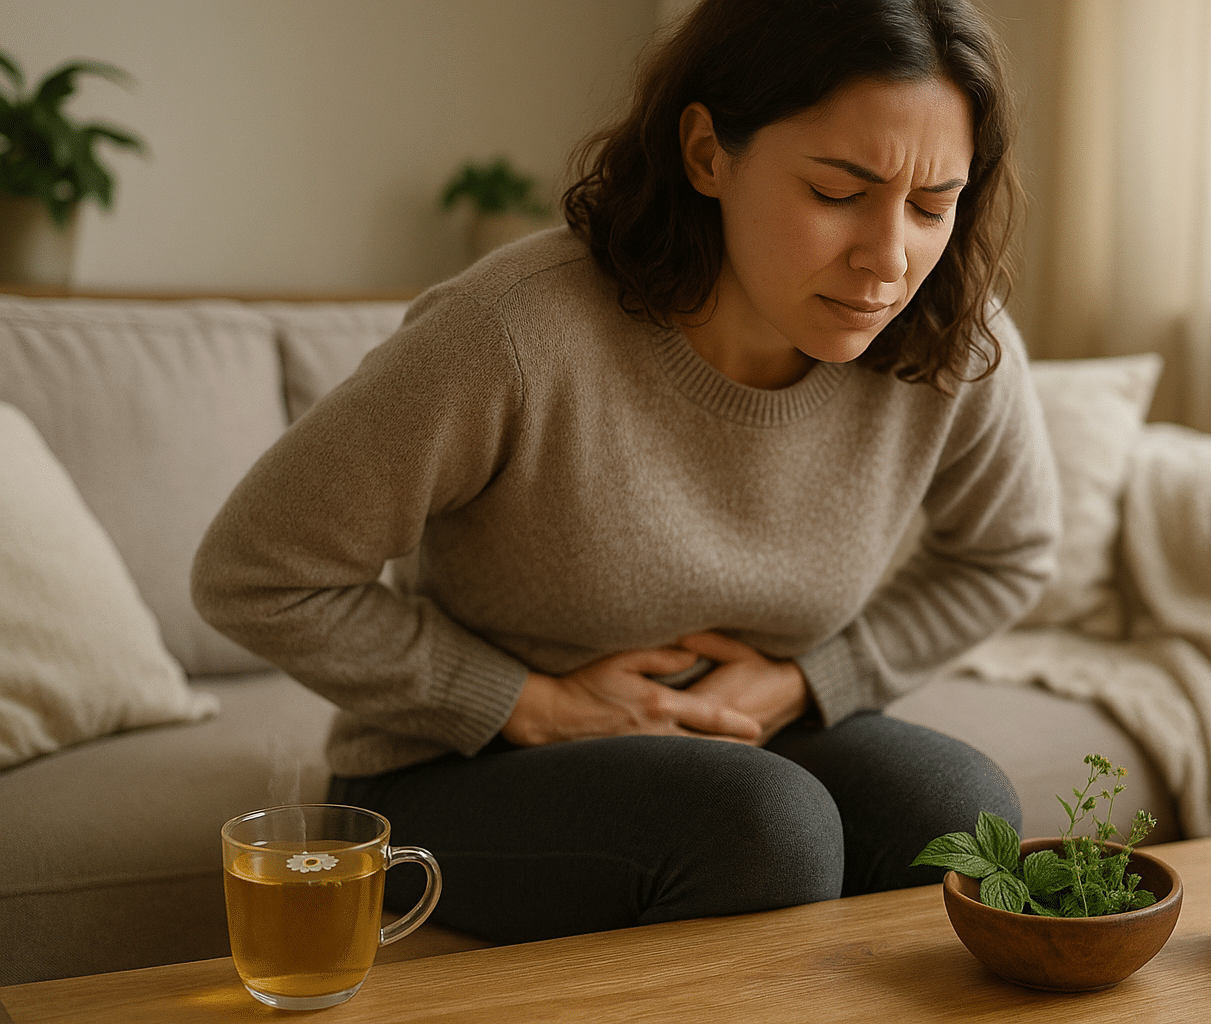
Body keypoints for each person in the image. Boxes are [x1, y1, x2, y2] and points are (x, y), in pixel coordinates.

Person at [192, 0, 1060, 945]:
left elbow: (1007, 554)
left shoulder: (947, 340)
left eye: (935, 205)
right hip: (460, 764)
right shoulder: (513, 333)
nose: (890, 260)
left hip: (744, 735)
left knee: (960, 816)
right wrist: (535, 705)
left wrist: (807, 680)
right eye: (839, 193)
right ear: (707, 154)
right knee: (763, 828)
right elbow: (256, 571)